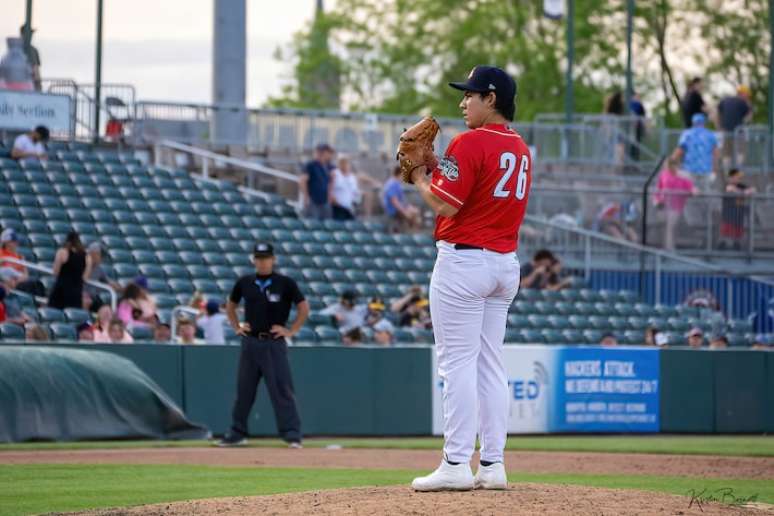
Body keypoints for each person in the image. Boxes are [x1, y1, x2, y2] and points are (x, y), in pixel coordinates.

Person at [408, 65, 530, 491]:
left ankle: (456, 463)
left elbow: (445, 205)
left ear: (491, 99)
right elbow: (475, 190)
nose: (463, 102)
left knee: (456, 364)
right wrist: (441, 167)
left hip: (464, 263)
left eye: (470, 95)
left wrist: (421, 177)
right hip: (504, 264)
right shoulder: (521, 147)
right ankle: (493, 465)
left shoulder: (470, 141)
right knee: (490, 365)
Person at [218, 242, 309, 448]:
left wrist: (291, 330)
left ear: (273, 259)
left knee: (282, 390)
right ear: (254, 260)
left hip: (273, 342)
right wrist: (236, 327)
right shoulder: (245, 282)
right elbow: (231, 305)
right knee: (244, 391)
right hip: (250, 342)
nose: (262, 261)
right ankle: (237, 433)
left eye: (266, 257)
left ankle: (292, 435)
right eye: (259, 258)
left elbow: (303, 307)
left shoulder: (285, 283)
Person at [653, 157, 697, 250]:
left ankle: (670, 249)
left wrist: (694, 191)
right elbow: (658, 189)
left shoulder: (682, 176)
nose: (670, 166)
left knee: (671, 226)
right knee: (665, 227)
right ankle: (665, 247)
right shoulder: (663, 174)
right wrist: (656, 200)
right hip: (663, 205)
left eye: (673, 164)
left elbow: (692, 188)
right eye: (669, 164)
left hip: (675, 206)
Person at [671, 113, 719, 191]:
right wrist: (714, 169)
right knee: (704, 194)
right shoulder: (711, 135)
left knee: (689, 194)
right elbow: (715, 153)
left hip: (689, 170)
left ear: (693, 122)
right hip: (706, 170)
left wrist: (671, 162)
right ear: (704, 123)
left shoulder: (687, 134)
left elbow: (680, 150)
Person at [48, 231, 91, 310]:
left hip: (61, 290)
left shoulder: (62, 252)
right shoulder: (87, 256)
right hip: (76, 292)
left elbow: (55, 272)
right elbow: (85, 277)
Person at [719, 168, 756, 250]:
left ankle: (736, 245)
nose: (738, 179)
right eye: (735, 177)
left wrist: (747, 191)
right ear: (730, 178)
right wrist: (743, 192)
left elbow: (753, 190)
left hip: (739, 214)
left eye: (739, 177)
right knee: (726, 232)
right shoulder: (727, 185)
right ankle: (722, 245)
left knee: (738, 233)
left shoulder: (741, 185)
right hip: (728, 214)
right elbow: (731, 190)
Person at [0, 228, 45, 297]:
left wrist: (18, 280)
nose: (16, 243)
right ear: (6, 242)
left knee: (38, 284)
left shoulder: (20, 256)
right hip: (7, 283)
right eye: (13, 241)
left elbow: (26, 274)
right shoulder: (1, 254)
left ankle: (42, 306)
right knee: (30, 286)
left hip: (19, 281)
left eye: (16, 241)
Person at [717, 85, 753, 167]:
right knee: (740, 152)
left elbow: (718, 113)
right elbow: (748, 118)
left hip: (726, 132)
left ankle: (728, 175)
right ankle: (736, 173)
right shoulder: (743, 102)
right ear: (743, 94)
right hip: (739, 132)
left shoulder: (725, 100)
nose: (747, 97)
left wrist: (719, 126)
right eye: (747, 95)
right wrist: (749, 106)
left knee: (726, 154)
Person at [300, 143, 335, 219]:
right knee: (312, 222)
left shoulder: (328, 166)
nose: (328, 154)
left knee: (326, 223)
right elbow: (303, 180)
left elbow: (331, 180)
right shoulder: (310, 165)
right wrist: (306, 197)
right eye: (326, 152)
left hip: (325, 201)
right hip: (313, 200)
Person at [382, 166, 422, 232]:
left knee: (416, 212)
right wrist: (405, 212)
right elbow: (394, 202)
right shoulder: (392, 184)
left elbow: (402, 201)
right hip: (393, 210)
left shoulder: (397, 183)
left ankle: (412, 233)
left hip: (399, 208)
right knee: (413, 216)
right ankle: (412, 234)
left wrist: (409, 207)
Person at [330, 155, 361, 221]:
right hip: (337, 207)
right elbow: (330, 190)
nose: (344, 164)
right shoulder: (334, 174)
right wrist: (335, 202)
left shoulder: (352, 177)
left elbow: (354, 191)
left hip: (349, 208)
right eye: (342, 162)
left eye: (346, 162)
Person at [19, 25, 41, 91]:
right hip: (30, 88)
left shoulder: (14, 50)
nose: (32, 36)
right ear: (23, 34)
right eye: (30, 33)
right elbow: (36, 71)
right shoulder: (32, 50)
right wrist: (39, 88)